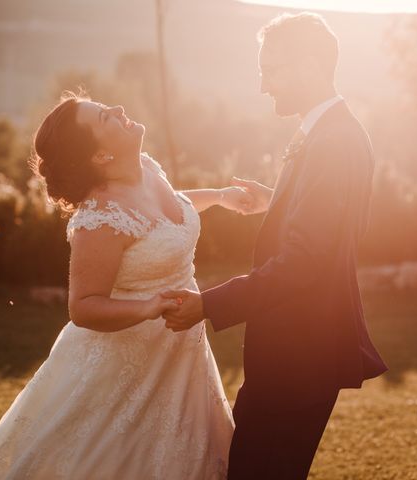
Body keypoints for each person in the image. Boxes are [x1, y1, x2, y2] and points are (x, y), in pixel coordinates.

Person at [0, 91, 252, 479]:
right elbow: (83, 306)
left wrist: (220, 197)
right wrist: (151, 306)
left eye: (105, 108)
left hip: (182, 354)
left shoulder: (148, 170)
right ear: (100, 156)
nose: (118, 109)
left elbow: (170, 209)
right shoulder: (100, 217)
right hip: (126, 368)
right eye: (104, 118)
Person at [162, 12, 388, 479]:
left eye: (272, 69)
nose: (264, 85)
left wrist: (207, 304)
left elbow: (304, 262)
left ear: (309, 65)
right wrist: (280, 203)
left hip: (300, 356)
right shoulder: (330, 131)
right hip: (296, 351)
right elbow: (333, 226)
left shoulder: (334, 140)